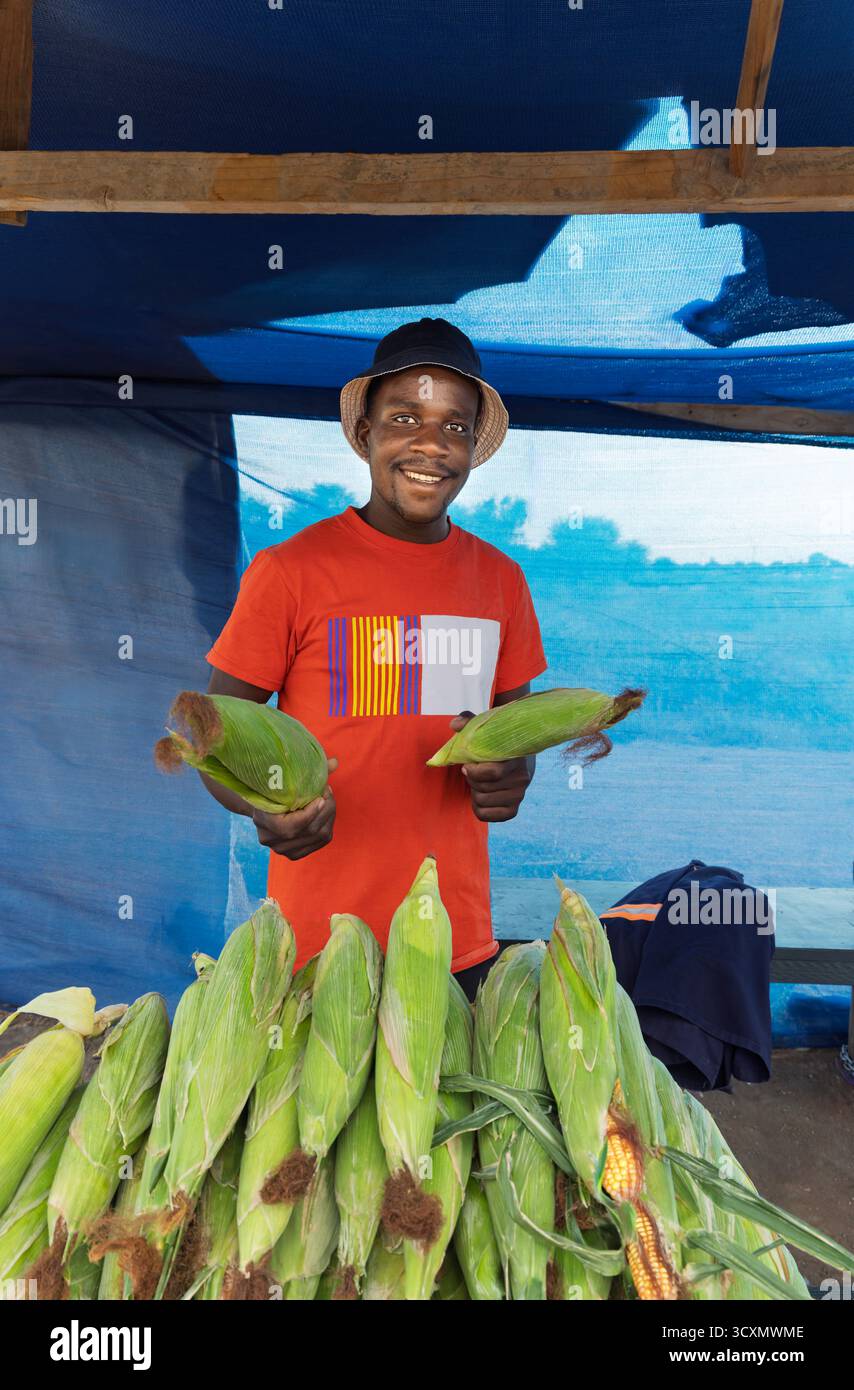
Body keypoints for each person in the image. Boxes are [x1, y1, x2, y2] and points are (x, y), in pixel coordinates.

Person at [201, 317, 547, 999]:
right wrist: (261, 807)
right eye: (405, 417)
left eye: (455, 426)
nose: (430, 444)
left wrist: (511, 776)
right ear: (365, 433)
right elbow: (214, 739)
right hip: (315, 945)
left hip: (453, 941)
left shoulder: (500, 580)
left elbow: (518, 735)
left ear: (474, 447)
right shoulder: (291, 572)